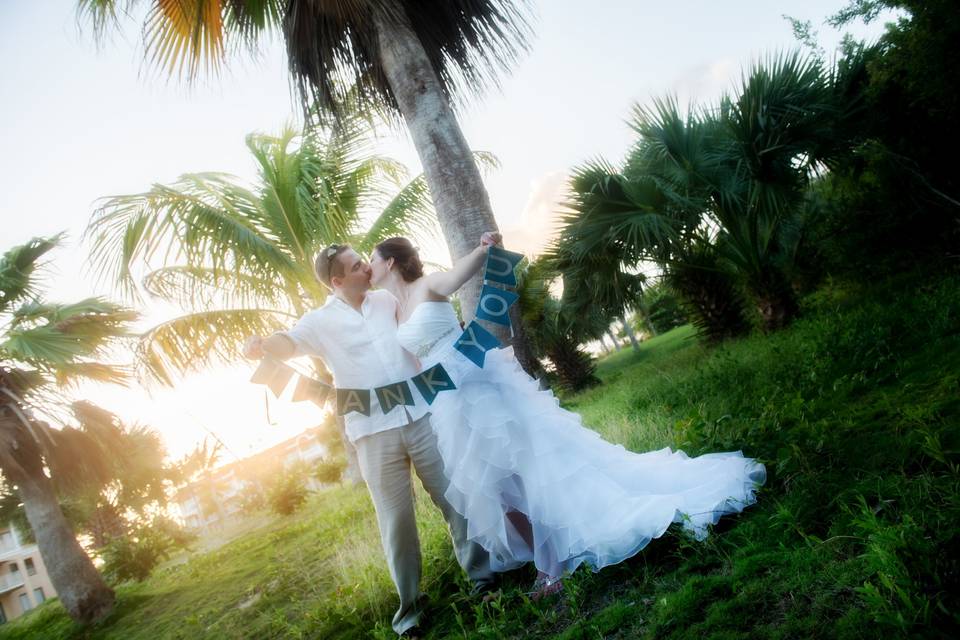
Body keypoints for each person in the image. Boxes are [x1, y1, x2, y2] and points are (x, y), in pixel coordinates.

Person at [369, 234, 766, 597]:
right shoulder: (395, 310)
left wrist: (484, 249)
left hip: (480, 386)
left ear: (390, 262)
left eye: (372, 258)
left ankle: (553, 568)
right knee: (493, 485)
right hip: (449, 402)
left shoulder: (429, 285)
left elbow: (461, 274)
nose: (369, 265)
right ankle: (548, 561)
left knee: (524, 467)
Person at [243, 244, 494, 637]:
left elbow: (421, 309)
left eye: (364, 259)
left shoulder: (386, 299)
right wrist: (262, 346)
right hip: (371, 431)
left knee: (454, 497)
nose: (365, 266)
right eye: (356, 265)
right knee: (397, 523)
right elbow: (288, 342)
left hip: (421, 414)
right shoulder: (319, 321)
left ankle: (483, 580)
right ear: (337, 281)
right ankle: (409, 614)